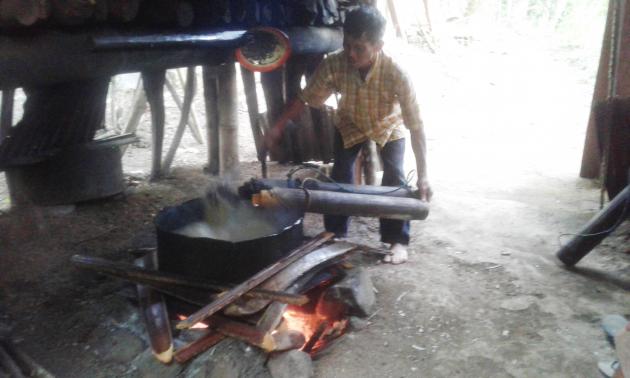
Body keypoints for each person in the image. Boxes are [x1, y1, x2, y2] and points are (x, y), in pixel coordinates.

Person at [266, 5, 431, 264]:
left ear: (378, 45)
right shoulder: (334, 64)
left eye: (359, 48)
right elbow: (305, 98)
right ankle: (335, 233)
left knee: (395, 178)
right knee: (339, 178)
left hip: (388, 125)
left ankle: (396, 240)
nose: (351, 54)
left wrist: (423, 176)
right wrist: (277, 127)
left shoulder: (397, 74)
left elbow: (416, 127)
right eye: (347, 45)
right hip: (350, 123)